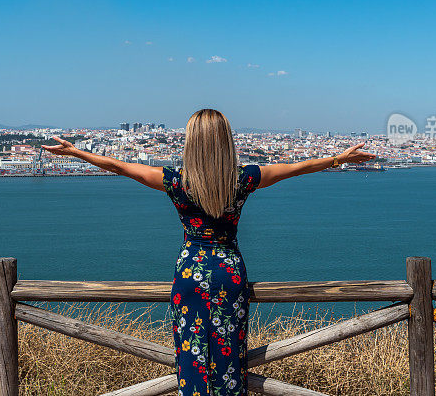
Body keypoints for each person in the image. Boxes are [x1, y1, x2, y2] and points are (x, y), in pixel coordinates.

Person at [42, 108, 376, 396]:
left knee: (191, 353)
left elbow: (121, 167)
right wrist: (339, 159)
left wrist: (76, 153)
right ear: (226, 141)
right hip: (229, 270)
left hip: (189, 272)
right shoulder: (244, 179)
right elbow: (298, 167)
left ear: (191, 143)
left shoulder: (175, 181)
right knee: (229, 352)